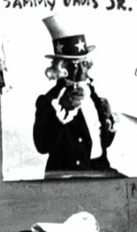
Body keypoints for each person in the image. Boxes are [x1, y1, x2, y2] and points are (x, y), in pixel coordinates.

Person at [32, 14, 119, 175]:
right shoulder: (50, 100)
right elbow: (42, 146)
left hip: (100, 169)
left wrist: (107, 118)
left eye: (84, 64)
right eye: (74, 65)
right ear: (61, 68)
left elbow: (105, 143)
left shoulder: (93, 95)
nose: (81, 71)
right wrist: (61, 113)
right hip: (70, 175)